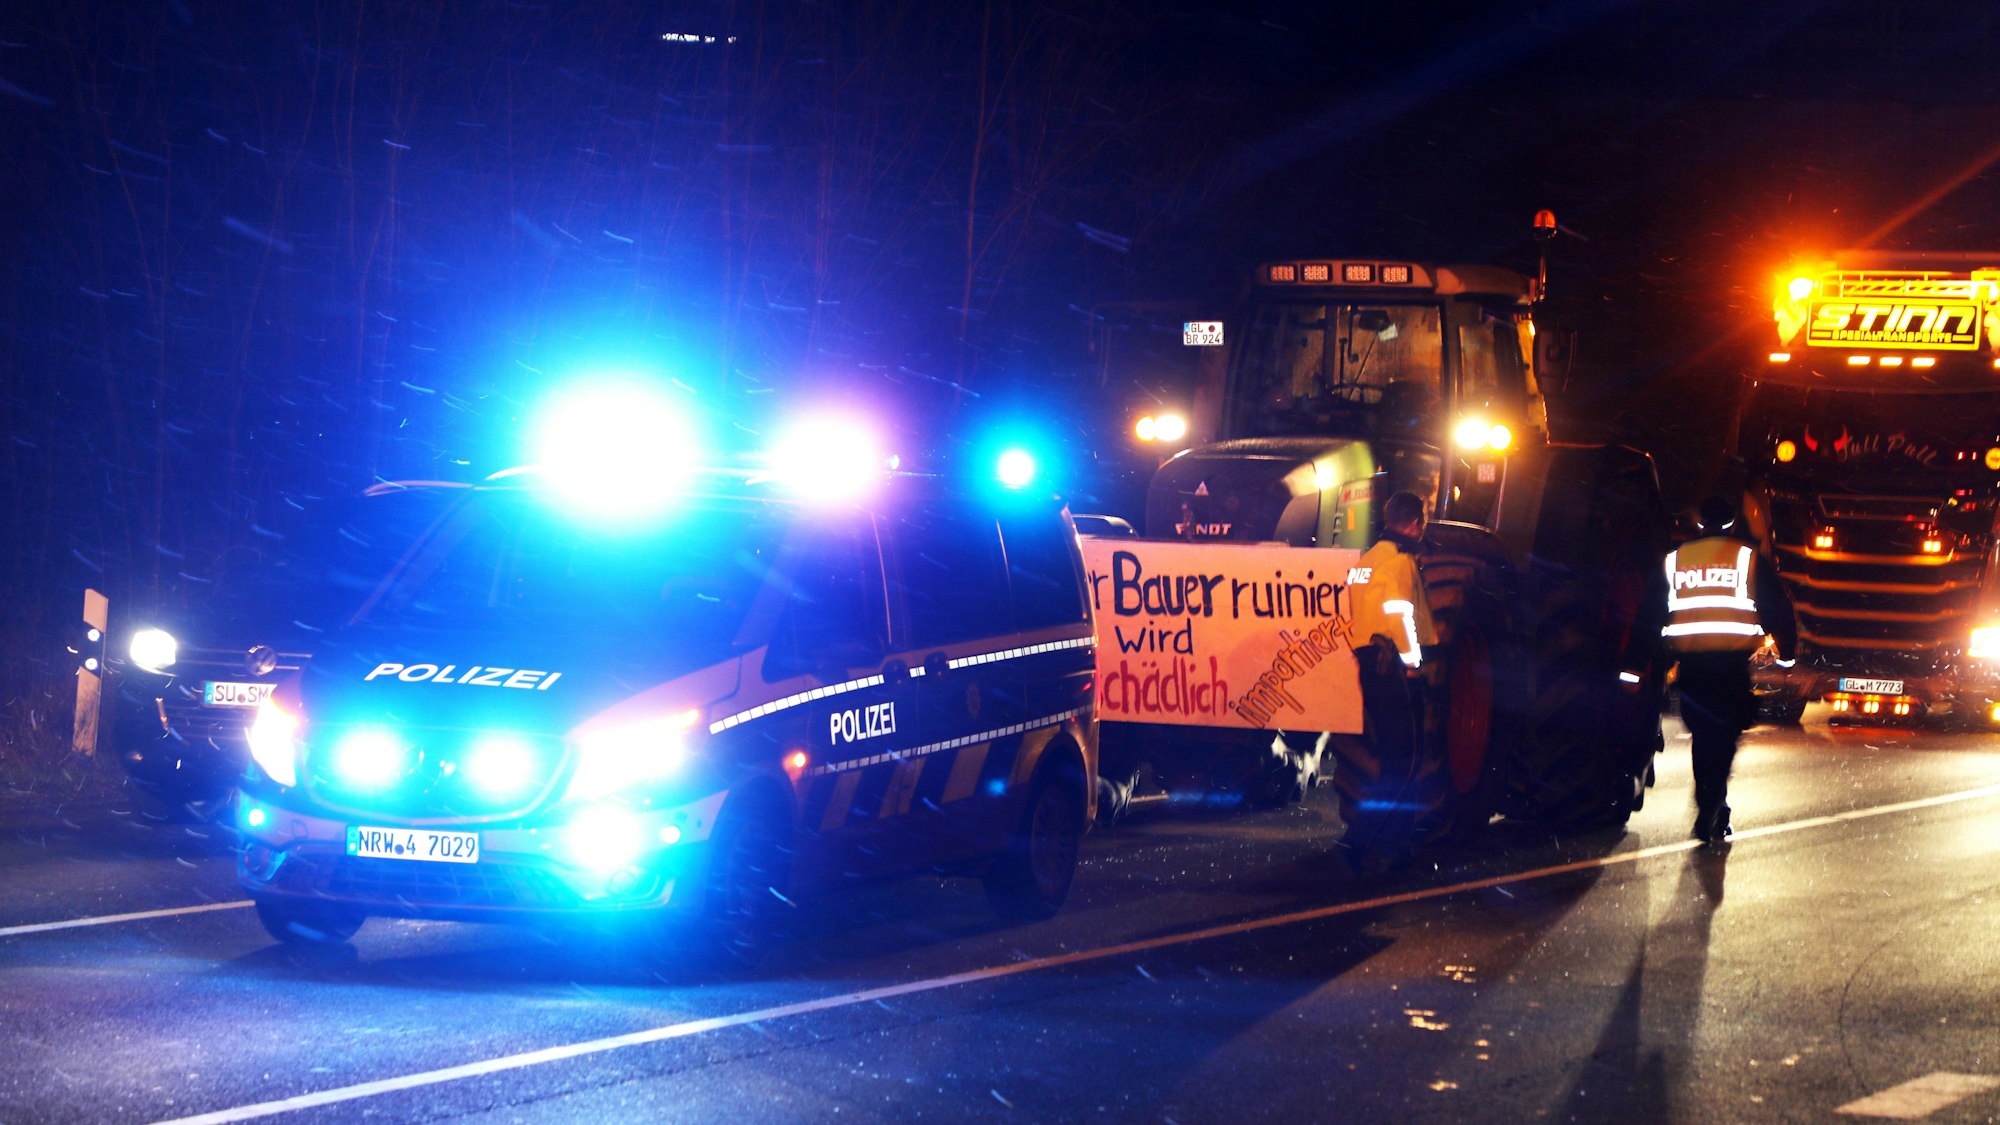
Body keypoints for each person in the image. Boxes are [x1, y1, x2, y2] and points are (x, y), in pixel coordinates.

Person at [1661, 495, 1797, 844]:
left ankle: (1709, 803)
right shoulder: (1748, 559)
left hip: (1692, 668)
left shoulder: (1675, 560)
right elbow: (1777, 608)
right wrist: (1787, 656)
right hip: (1730, 669)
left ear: (1698, 521)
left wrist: (1644, 661)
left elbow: (1653, 611)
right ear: (1733, 522)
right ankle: (1713, 806)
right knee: (1723, 738)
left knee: (1703, 738)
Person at [1345, 490, 1439, 852]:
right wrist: (1414, 664)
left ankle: (1378, 837)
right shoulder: (1401, 562)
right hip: (1394, 665)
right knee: (1407, 757)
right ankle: (1370, 838)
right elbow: (1400, 615)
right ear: (1417, 524)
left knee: (1389, 752)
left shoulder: (1365, 561)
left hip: (1368, 662)